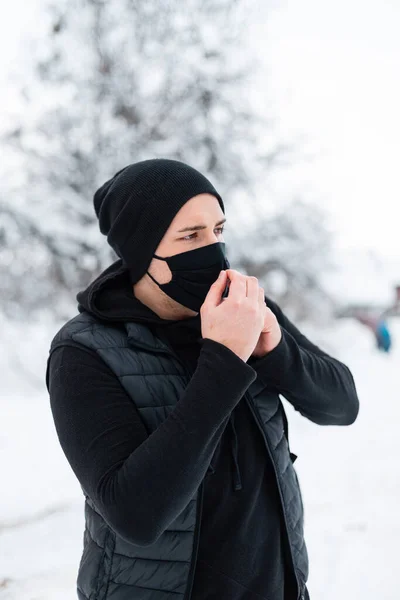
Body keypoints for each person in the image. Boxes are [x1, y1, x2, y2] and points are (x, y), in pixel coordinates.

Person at [46, 159, 360, 600]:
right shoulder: (84, 351)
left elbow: (342, 405)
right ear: (142, 251)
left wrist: (276, 350)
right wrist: (224, 360)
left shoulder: (244, 311)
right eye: (190, 236)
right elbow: (135, 515)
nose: (212, 249)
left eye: (218, 230)